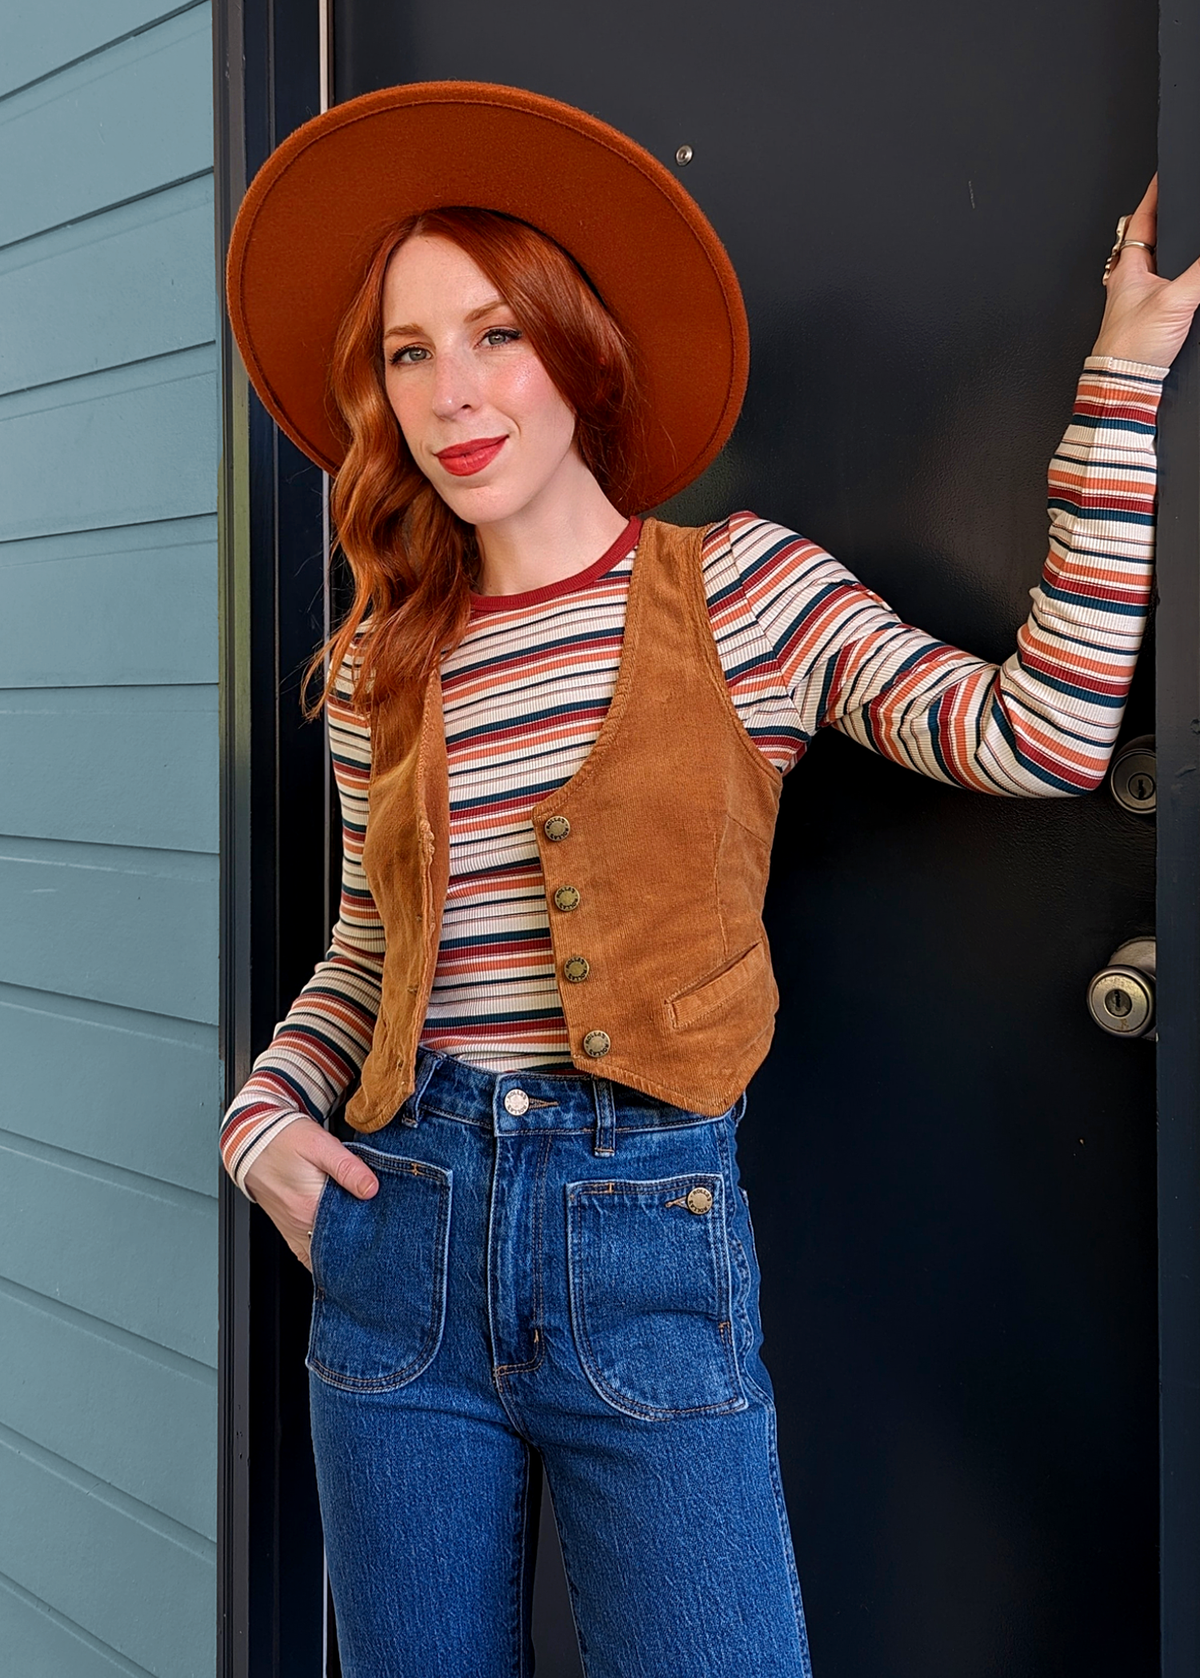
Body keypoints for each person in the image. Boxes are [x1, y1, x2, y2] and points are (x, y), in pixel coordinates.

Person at [220, 81, 1200, 1678]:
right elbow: (360, 953)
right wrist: (259, 1119)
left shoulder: (739, 590)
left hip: (644, 1234)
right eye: (410, 353)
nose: (454, 393)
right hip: (402, 1239)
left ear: (574, 346)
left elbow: (1044, 733)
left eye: (494, 335)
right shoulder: (374, 663)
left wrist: (1127, 371)